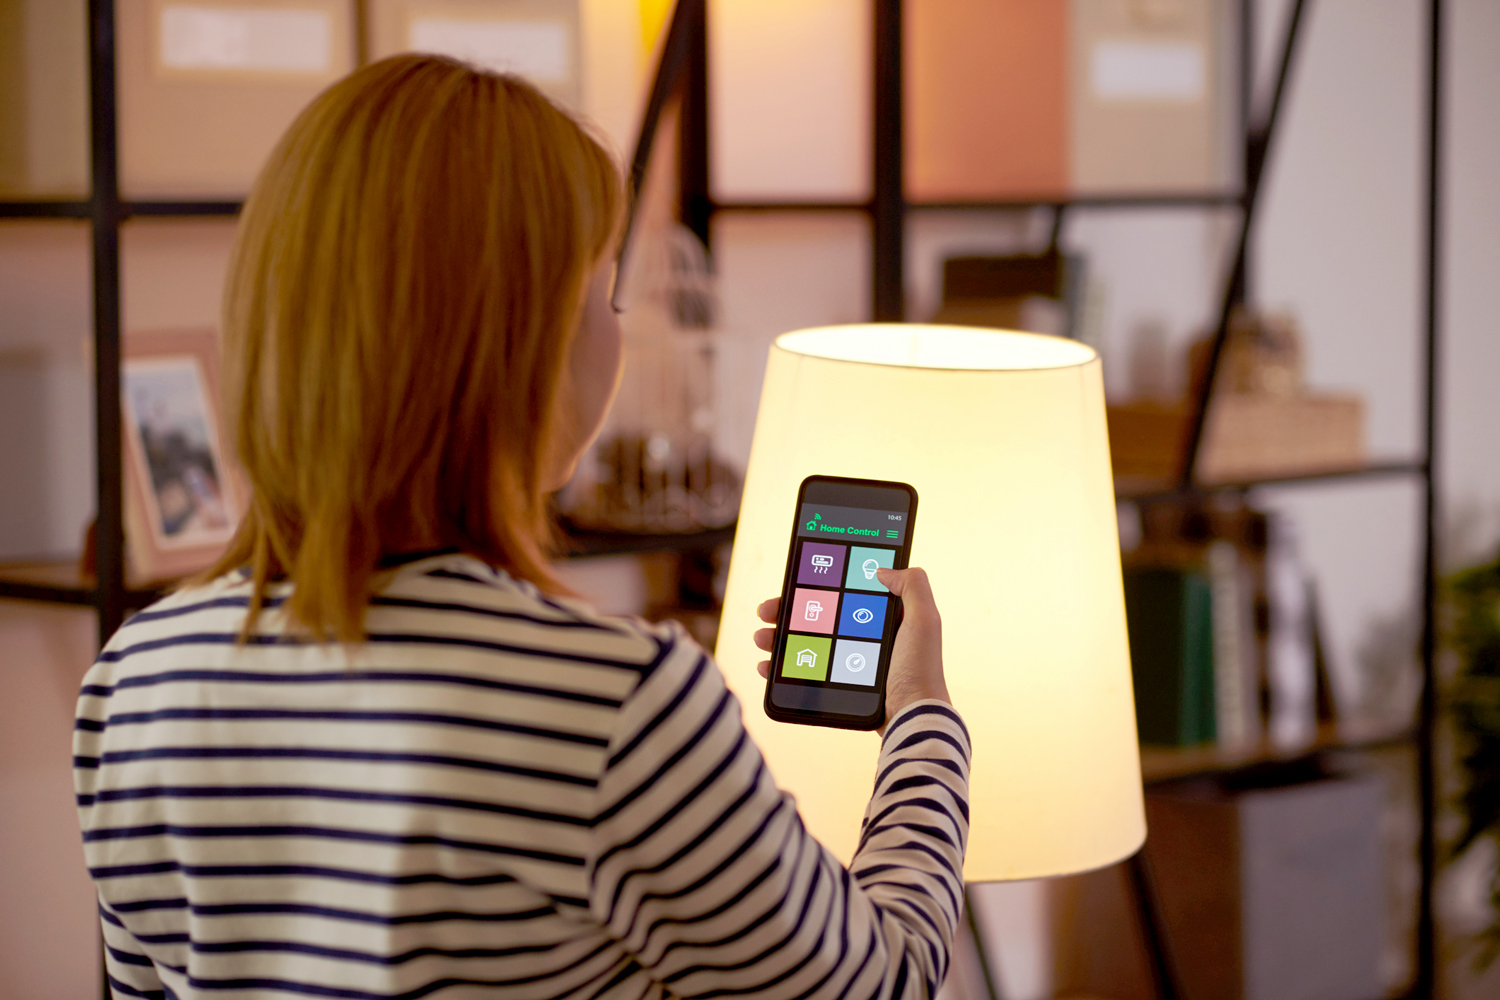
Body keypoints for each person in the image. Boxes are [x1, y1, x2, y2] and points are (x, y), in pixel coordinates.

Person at [74, 55, 969, 1000]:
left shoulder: (133, 684)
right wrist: (922, 716)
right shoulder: (618, 704)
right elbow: (884, 984)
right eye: (607, 298)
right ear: (528, 346)